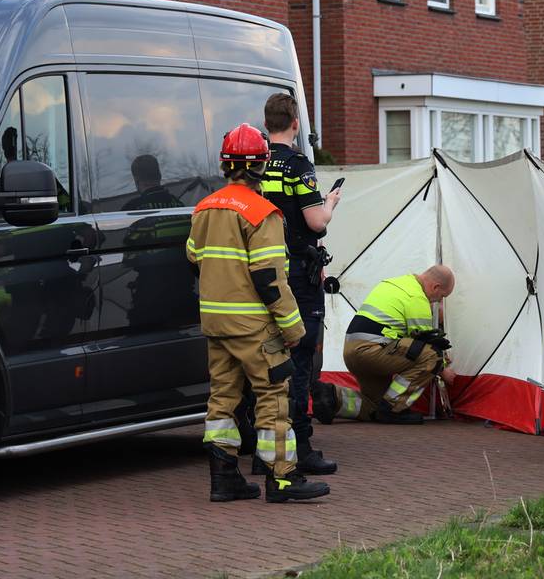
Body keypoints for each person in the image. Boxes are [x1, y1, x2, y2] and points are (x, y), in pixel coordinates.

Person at [187, 123, 330, 503]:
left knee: (222, 399)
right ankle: (282, 479)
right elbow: (270, 278)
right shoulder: (262, 212)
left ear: (226, 165)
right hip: (253, 325)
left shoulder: (204, 208)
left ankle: (224, 478)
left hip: (215, 323)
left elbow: (193, 257)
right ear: (261, 165)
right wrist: (293, 326)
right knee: (273, 395)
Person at [255, 92, 342, 475]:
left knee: (267, 360)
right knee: (301, 359)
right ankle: (300, 446)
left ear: (266, 123)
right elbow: (315, 222)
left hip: (263, 273)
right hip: (299, 279)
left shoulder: (257, 165)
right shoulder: (297, 165)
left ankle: (264, 450)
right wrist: (331, 202)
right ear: (294, 123)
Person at [311, 266, 457, 424]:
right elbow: (427, 344)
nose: (439, 301)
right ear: (436, 287)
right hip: (373, 352)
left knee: (376, 407)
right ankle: (394, 408)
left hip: (352, 352)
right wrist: (443, 368)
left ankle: (333, 397)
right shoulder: (417, 298)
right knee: (433, 355)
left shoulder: (394, 283)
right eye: (442, 296)